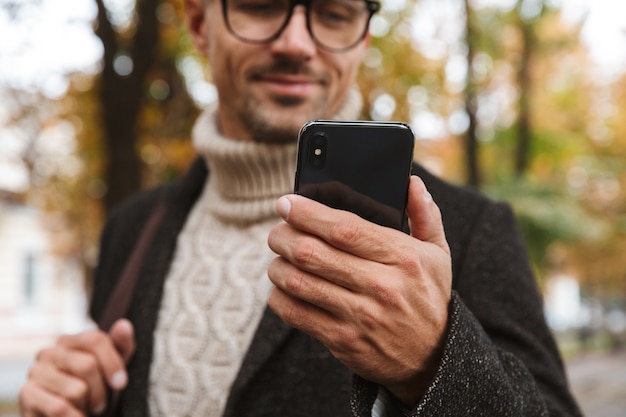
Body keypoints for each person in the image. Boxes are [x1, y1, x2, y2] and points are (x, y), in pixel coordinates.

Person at [18, 0, 583, 415]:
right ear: (198, 24)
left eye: (333, 14)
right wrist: (71, 393)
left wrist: (433, 361)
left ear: (361, 40)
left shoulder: (471, 230)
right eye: (260, 7)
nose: (296, 42)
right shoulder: (133, 229)